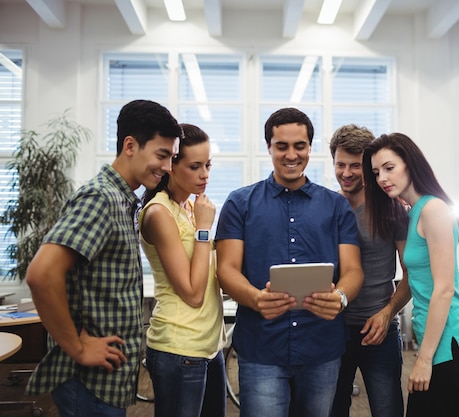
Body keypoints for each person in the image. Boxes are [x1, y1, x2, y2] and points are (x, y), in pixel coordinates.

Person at [24, 99, 182, 417]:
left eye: (172, 158)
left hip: (105, 382)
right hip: (89, 383)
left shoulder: (122, 200)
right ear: (130, 145)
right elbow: (41, 274)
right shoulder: (101, 198)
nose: (167, 168)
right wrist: (78, 347)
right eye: (162, 155)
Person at [215, 107, 364, 417]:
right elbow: (226, 269)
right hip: (261, 347)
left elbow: (353, 270)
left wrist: (341, 296)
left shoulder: (336, 206)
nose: (291, 154)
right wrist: (255, 298)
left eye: (300, 146)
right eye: (281, 146)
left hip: (322, 345)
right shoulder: (240, 203)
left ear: (310, 147)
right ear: (268, 147)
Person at [362, 133, 459, 417]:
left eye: (389, 167)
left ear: (410, 163)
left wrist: (424, 359)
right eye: (376, 172)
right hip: (436, 343)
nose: (382, 178)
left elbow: (443, 290)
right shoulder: (416, 211)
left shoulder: (434, 209)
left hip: (450, 345)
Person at [139, 123, 226, 417]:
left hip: (209, 346)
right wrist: (204, 228)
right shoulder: (158, 213)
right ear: (171, 166)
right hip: (179, 347)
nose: (205, 175)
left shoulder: (189, 206)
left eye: (208, 165)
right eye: (195, 166)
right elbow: (191, 293)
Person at [329, 124, 410, 417]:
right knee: (333, 409)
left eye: (355, 165)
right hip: (332, 329)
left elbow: (411, 273)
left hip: (380, 329)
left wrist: (388, 313)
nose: (347, 173)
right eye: (340, 165)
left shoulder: (392, 209)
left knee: (387, 409)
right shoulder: (325, 206)